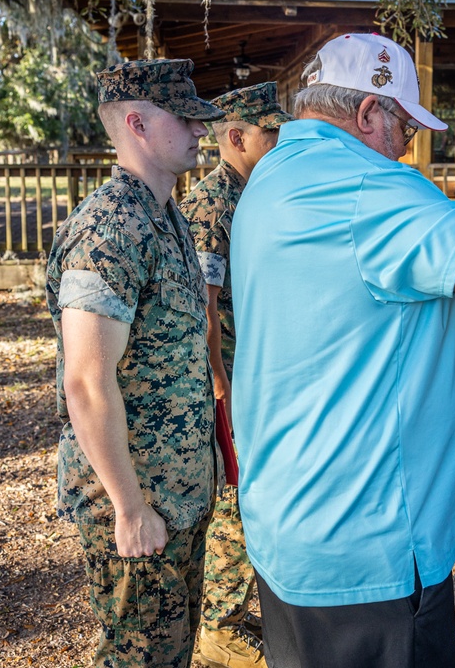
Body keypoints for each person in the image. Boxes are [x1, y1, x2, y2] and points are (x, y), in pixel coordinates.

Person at [228, 32, 455, 668]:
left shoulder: (273, 175)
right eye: (404, 128)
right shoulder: (364, 189)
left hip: (294, 522)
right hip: (367, 542)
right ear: (367, 115)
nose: (406, 147)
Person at [46, 59, 225, 668]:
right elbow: (87, 382)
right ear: (137, 123)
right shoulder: (109, 227)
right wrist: (128, 508)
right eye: (186, 118)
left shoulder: (166, 216)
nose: (202, 131)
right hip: (138, 498)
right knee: (139, 657)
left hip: (176, 491)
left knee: (168, 652)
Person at [179, 82, 293, 668]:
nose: (277, 140)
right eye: (269, 132)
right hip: (230, 380)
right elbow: (204, 300)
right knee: (235, 498)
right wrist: (220, 378)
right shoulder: (213, 204)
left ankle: (230, 608)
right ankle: (218, 630)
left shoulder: (251, 193)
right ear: (235, 137)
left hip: (255, 369)